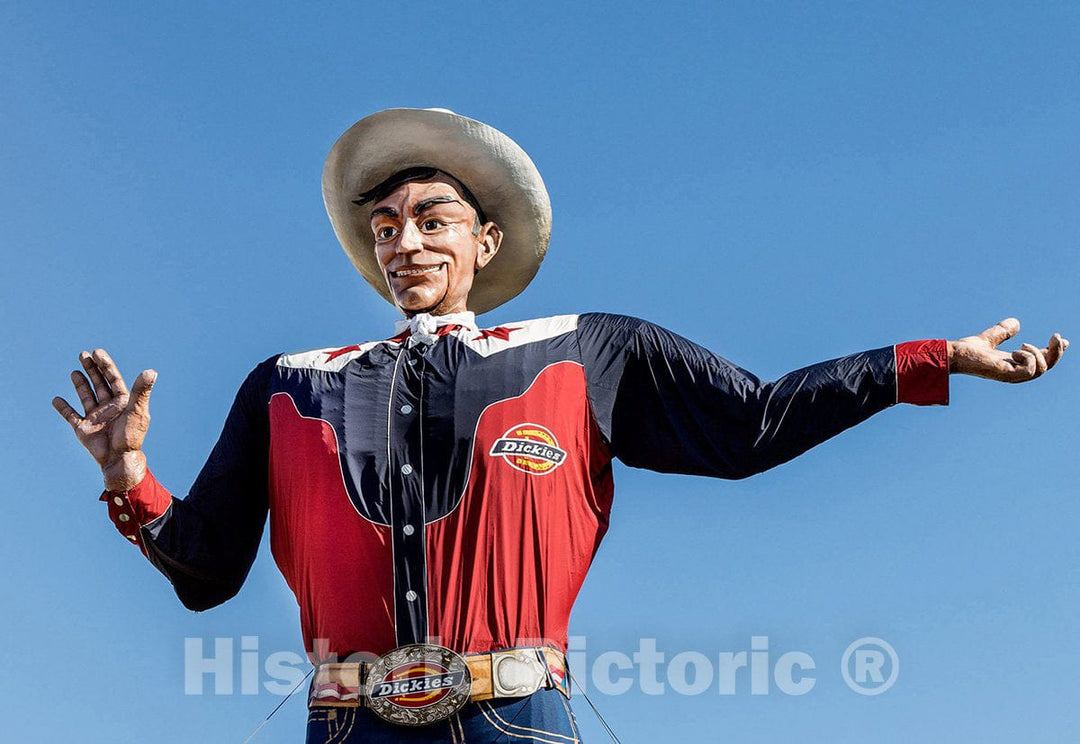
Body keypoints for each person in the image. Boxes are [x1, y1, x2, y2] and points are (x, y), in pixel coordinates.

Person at [53, 108, 1068, 743]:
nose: (405, 240)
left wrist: (926, 359)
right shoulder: (285, 385)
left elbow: (749, 425)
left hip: (515, 720)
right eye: (385, 228)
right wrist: (129, 474)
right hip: (345, 724)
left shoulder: (583, 350)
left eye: (431, 219)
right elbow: (206, 572)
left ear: (485, 240)